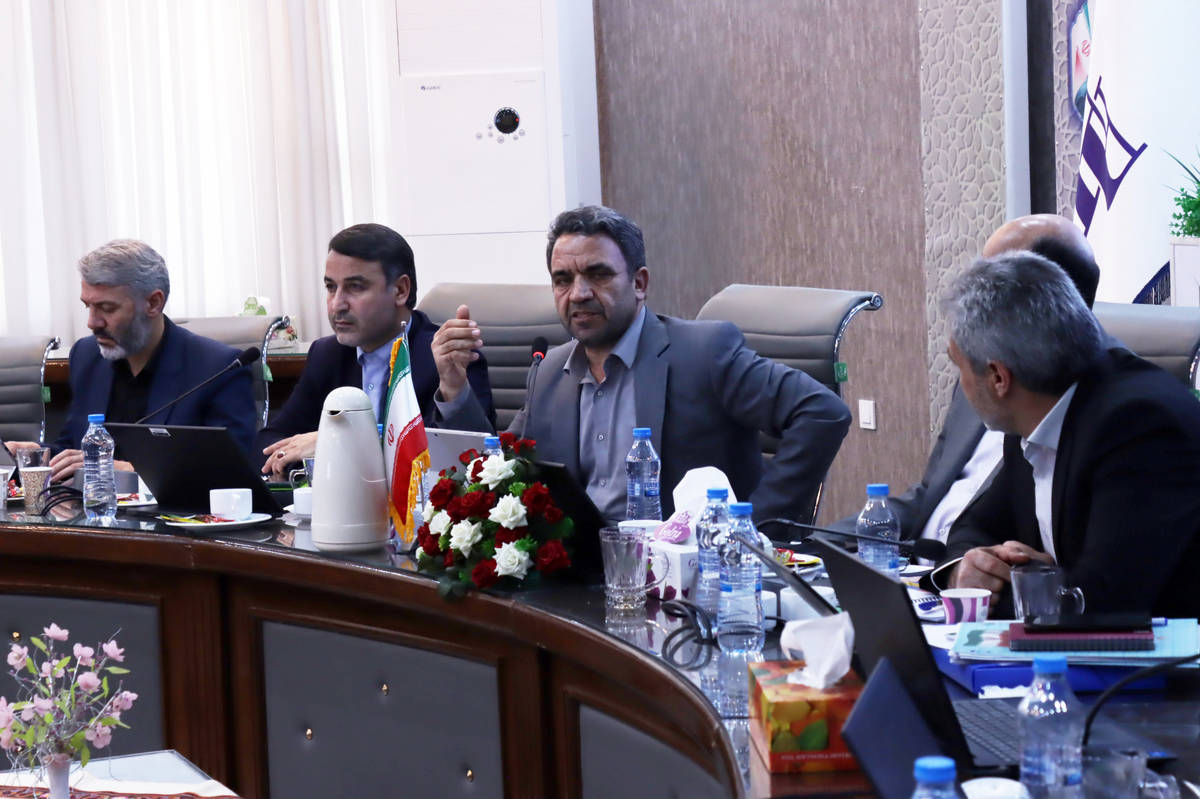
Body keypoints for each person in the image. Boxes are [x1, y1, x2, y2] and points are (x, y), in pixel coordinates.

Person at [432, 204, 851, 524]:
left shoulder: (703, 353)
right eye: (563, 280)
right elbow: (500, 471)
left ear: (639, 283)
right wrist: (454, 387)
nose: (578, 293)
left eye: (597, 275)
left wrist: (752, 528)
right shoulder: (550, 373)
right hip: (577, 581)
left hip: (680, 580)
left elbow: (822, 412)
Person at [939, 250, 1200, 617]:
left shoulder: (1140, 428)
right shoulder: (1032, 411)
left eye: (959, 365)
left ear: (998, 378)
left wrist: (1024, 584)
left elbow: (1104, 604)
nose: (961, 382)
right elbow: (974, 526)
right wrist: (968, 571)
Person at [830, 214, 1102, 545]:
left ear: (1043, 295)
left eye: (990, 281)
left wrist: (957, 563)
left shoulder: (1079, 410)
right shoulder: (976, 373)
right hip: (919, 562)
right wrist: (818, 545)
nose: (974, 294)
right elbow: (930, 496)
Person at [258, 223, 495, 478]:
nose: (337, 304)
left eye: (355, 287)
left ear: (400, 291)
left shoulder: (446, 359)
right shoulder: (327, 355)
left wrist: (335, 443)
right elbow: (270, 443)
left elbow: (468, 460)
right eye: (331, 287)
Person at [38, 239, 257, 483]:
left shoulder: (218, 368)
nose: (92, 322)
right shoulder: (87, 355)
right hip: (92, 506)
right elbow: (73, 447)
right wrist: (37, 455)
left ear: (153, 303)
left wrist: (129, 470)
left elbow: (230, 471)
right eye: (88, 306)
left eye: (107, 308)